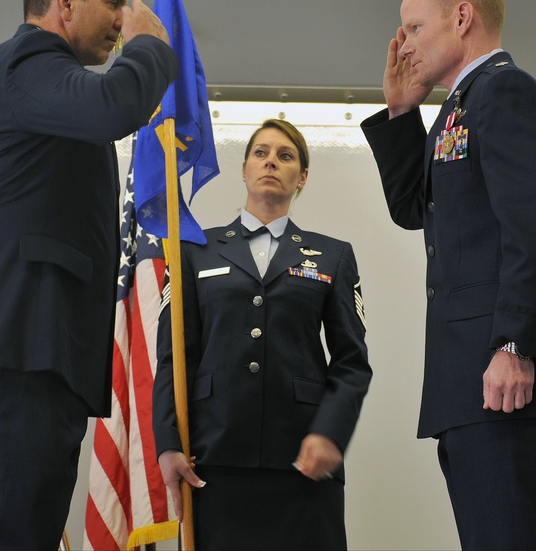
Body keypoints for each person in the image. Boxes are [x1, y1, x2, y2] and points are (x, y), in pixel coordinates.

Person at [0, 0, 177, 549]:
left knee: (19, 534)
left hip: (37, 347)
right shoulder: (25, 62)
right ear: (65, 1)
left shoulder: (45, 84)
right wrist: (149, 47)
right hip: (14, 339)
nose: (121, 18)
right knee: (4, 536)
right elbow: (114, 105)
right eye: (112, 2)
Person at [361, 0, 536, 550]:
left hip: (503, 373)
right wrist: (399, 112)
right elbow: (414, 209)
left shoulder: (505, 91)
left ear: (461, 17)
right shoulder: (456, 109)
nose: (403, 45)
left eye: (413, 27)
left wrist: (515, 343)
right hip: (470, 380)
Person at [153, 119, 372, 550]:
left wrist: (330, 432)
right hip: (212, 460)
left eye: (285, 155)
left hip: (301, 462)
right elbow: (173, 356)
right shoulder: (193, 249)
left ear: (302, 177)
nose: (271, 161)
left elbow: (351, 362)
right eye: (261, 152)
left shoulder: (332, 255)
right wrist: (167, 444)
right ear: (245, 168)